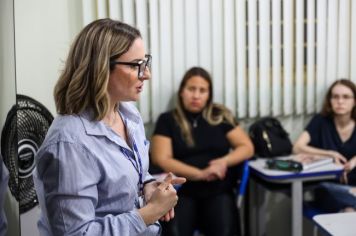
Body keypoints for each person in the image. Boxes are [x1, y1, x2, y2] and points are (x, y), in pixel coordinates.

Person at [33, 18, 185, 236]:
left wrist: (149, 186)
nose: (147, 74)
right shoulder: (69, 143)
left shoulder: (128, 114)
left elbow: (132, 177)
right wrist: (150, 213)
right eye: (135, 65)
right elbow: (76, 233)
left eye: (146, 62)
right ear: (100, 67)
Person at [150, 67, 254, 236]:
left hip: (217, 190)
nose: (196, 95)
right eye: (191, 89)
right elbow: (161, 158)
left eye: (202, 90)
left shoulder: (220, 116)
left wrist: (223, 161)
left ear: (209, 95)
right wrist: (199, 174)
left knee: (226, 231)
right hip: (182, 192)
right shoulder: (167, 120)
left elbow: (247, 147)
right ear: (182, 92)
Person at [293, 79, 356, 212]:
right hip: (328, 188)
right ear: (329, 101)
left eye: (346, 97)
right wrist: (330, 154)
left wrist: (353, 162)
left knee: (349, 209)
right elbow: (297, 147)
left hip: (354, 185)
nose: (340, 101)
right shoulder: (321, 121)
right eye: (335, 97)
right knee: (344, 205)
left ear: (354, 101)